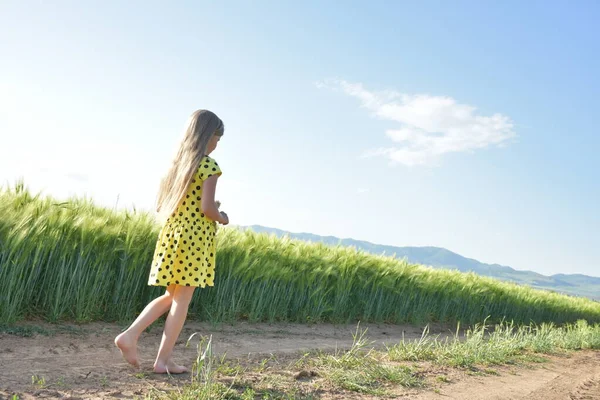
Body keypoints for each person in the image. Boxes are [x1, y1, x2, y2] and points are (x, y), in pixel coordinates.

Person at [115, 109, 229, 373]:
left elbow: (164, 205)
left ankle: (130, 336)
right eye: (217, 138)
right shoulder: (209, 166)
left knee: (171, 294)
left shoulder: (175, 168)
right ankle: (162, 360)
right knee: (182, 299)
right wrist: (222, 216)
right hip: (194, 237)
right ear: (207, 135)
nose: (217, 144)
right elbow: (207, 210)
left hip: (172, 234)